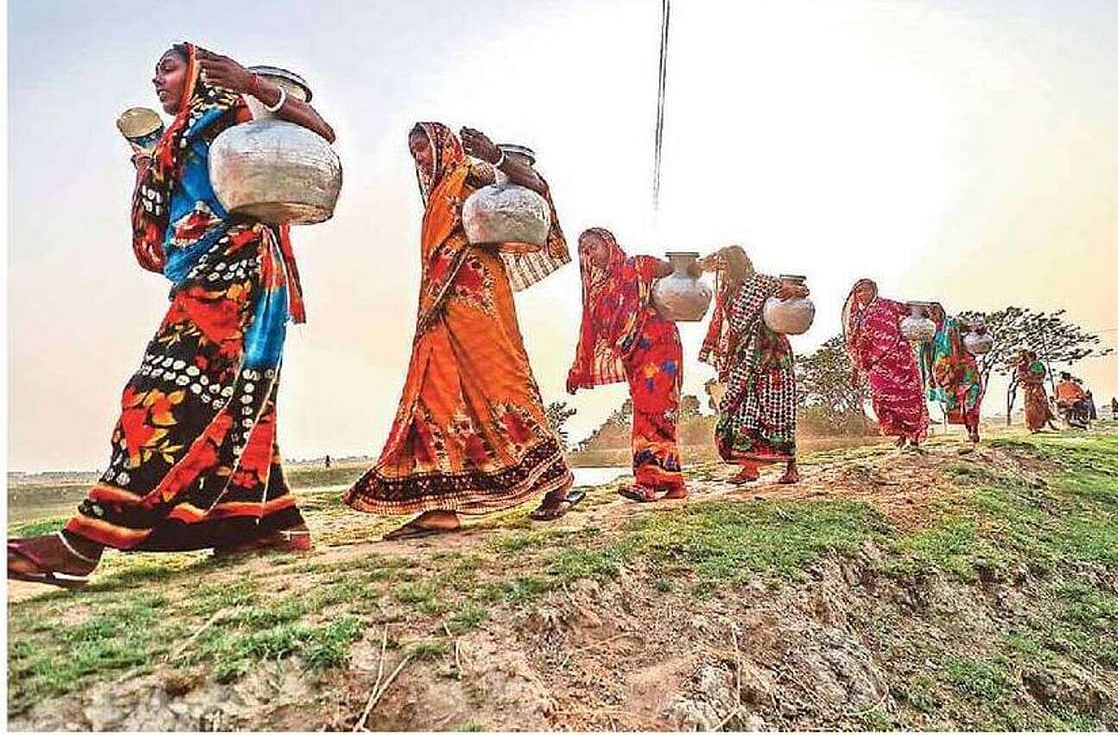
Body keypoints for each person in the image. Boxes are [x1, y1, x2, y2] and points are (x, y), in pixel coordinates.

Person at [8, 43, 335, 588]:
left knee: (163, 393)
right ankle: (252, 526)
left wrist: (254, 85)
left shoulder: (233, 114)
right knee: (237, 402)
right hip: (210, 274)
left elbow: (321, 134)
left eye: (168, 66)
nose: (156, 79)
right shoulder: (175, 138)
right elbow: (170, 223)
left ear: (200, 69)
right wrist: (148, 166)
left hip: (239, 269)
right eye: (155, 70)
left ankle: (82, 544)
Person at [344, 123, 580, 536]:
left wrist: (496, 156)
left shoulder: (473, 173)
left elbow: (534, 184)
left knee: (503, 386)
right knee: (434, 394)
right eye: (413, 152)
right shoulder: (436, 195)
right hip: (441, 310)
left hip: (480, 300)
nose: (418, 158)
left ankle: (557, 481)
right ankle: (441, 506)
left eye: (423, 148)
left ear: (443, 147)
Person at [567, 228, 687, 502]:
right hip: (634, 357)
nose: (589, 254)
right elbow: (589, 333)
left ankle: (648, 482)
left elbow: (675, 270)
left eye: (593, 247)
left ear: (609, 245)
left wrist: (693, 265)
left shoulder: (639, 265)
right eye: (584, 250)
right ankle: (674, 482)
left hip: (662, 347)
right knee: (649, 414)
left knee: (656, 412)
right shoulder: (596, 292)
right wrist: (578, 371)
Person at [698, 246, 808, 484]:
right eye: (722, 266)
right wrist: (706, 263)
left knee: (778, 411)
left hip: (772, 355)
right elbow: (699, 267)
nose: (723, 270)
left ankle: (791, 467)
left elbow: (802, 290)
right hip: (744, 356)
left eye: (727, 264)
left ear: (739, 264)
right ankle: (750, 468)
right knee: (740, 410)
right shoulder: (727, 291)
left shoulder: (761, 282)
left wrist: (794, 291)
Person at [842, 279, 928, 449]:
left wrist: (925, 311)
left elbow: (912, 310)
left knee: (909, 399)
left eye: (867, 290)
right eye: (859, 291)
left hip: (900, 361)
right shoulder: (856, 317)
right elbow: (854, 344)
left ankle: (914, 438)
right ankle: (901, 434)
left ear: (874, 290)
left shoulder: (889, 306)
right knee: (884, 401)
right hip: (878, 367)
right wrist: (855, 371)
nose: (863, 294)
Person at [919, 304, 983, 443]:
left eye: (937, 310)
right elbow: (927, 355)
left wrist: (977, 328)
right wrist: (929, 375)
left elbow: (972, 327)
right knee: (955, 404)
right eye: (931, 312)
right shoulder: (928, 331)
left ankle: (974, 430)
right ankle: (969, 429)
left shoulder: (954, 323)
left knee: (971, 399)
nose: (934, 313)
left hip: (965, 368)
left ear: (942, 311)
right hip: (945, 374)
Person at [1016, 350, 1056, 433]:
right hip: (1030, 388)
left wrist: (1027, 377)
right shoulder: (1024, 366)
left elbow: (1038, 375)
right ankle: (1032, 426)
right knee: (1031, 407)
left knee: (1038, 407)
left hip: (1036, 388)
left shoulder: (1037, 365)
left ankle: (1038, 426)